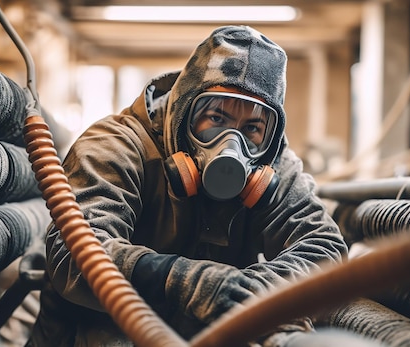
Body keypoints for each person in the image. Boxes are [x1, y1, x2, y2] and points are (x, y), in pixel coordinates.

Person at [28, 25, 348, 347]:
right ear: (183, 111)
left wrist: (249, 290)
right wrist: (183, 280)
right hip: (95, 331)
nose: (230, 145)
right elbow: (76, 252)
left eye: (252, 127)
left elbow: (323, 246)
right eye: (216, 119)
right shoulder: (115, 146)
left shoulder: (271, 161)